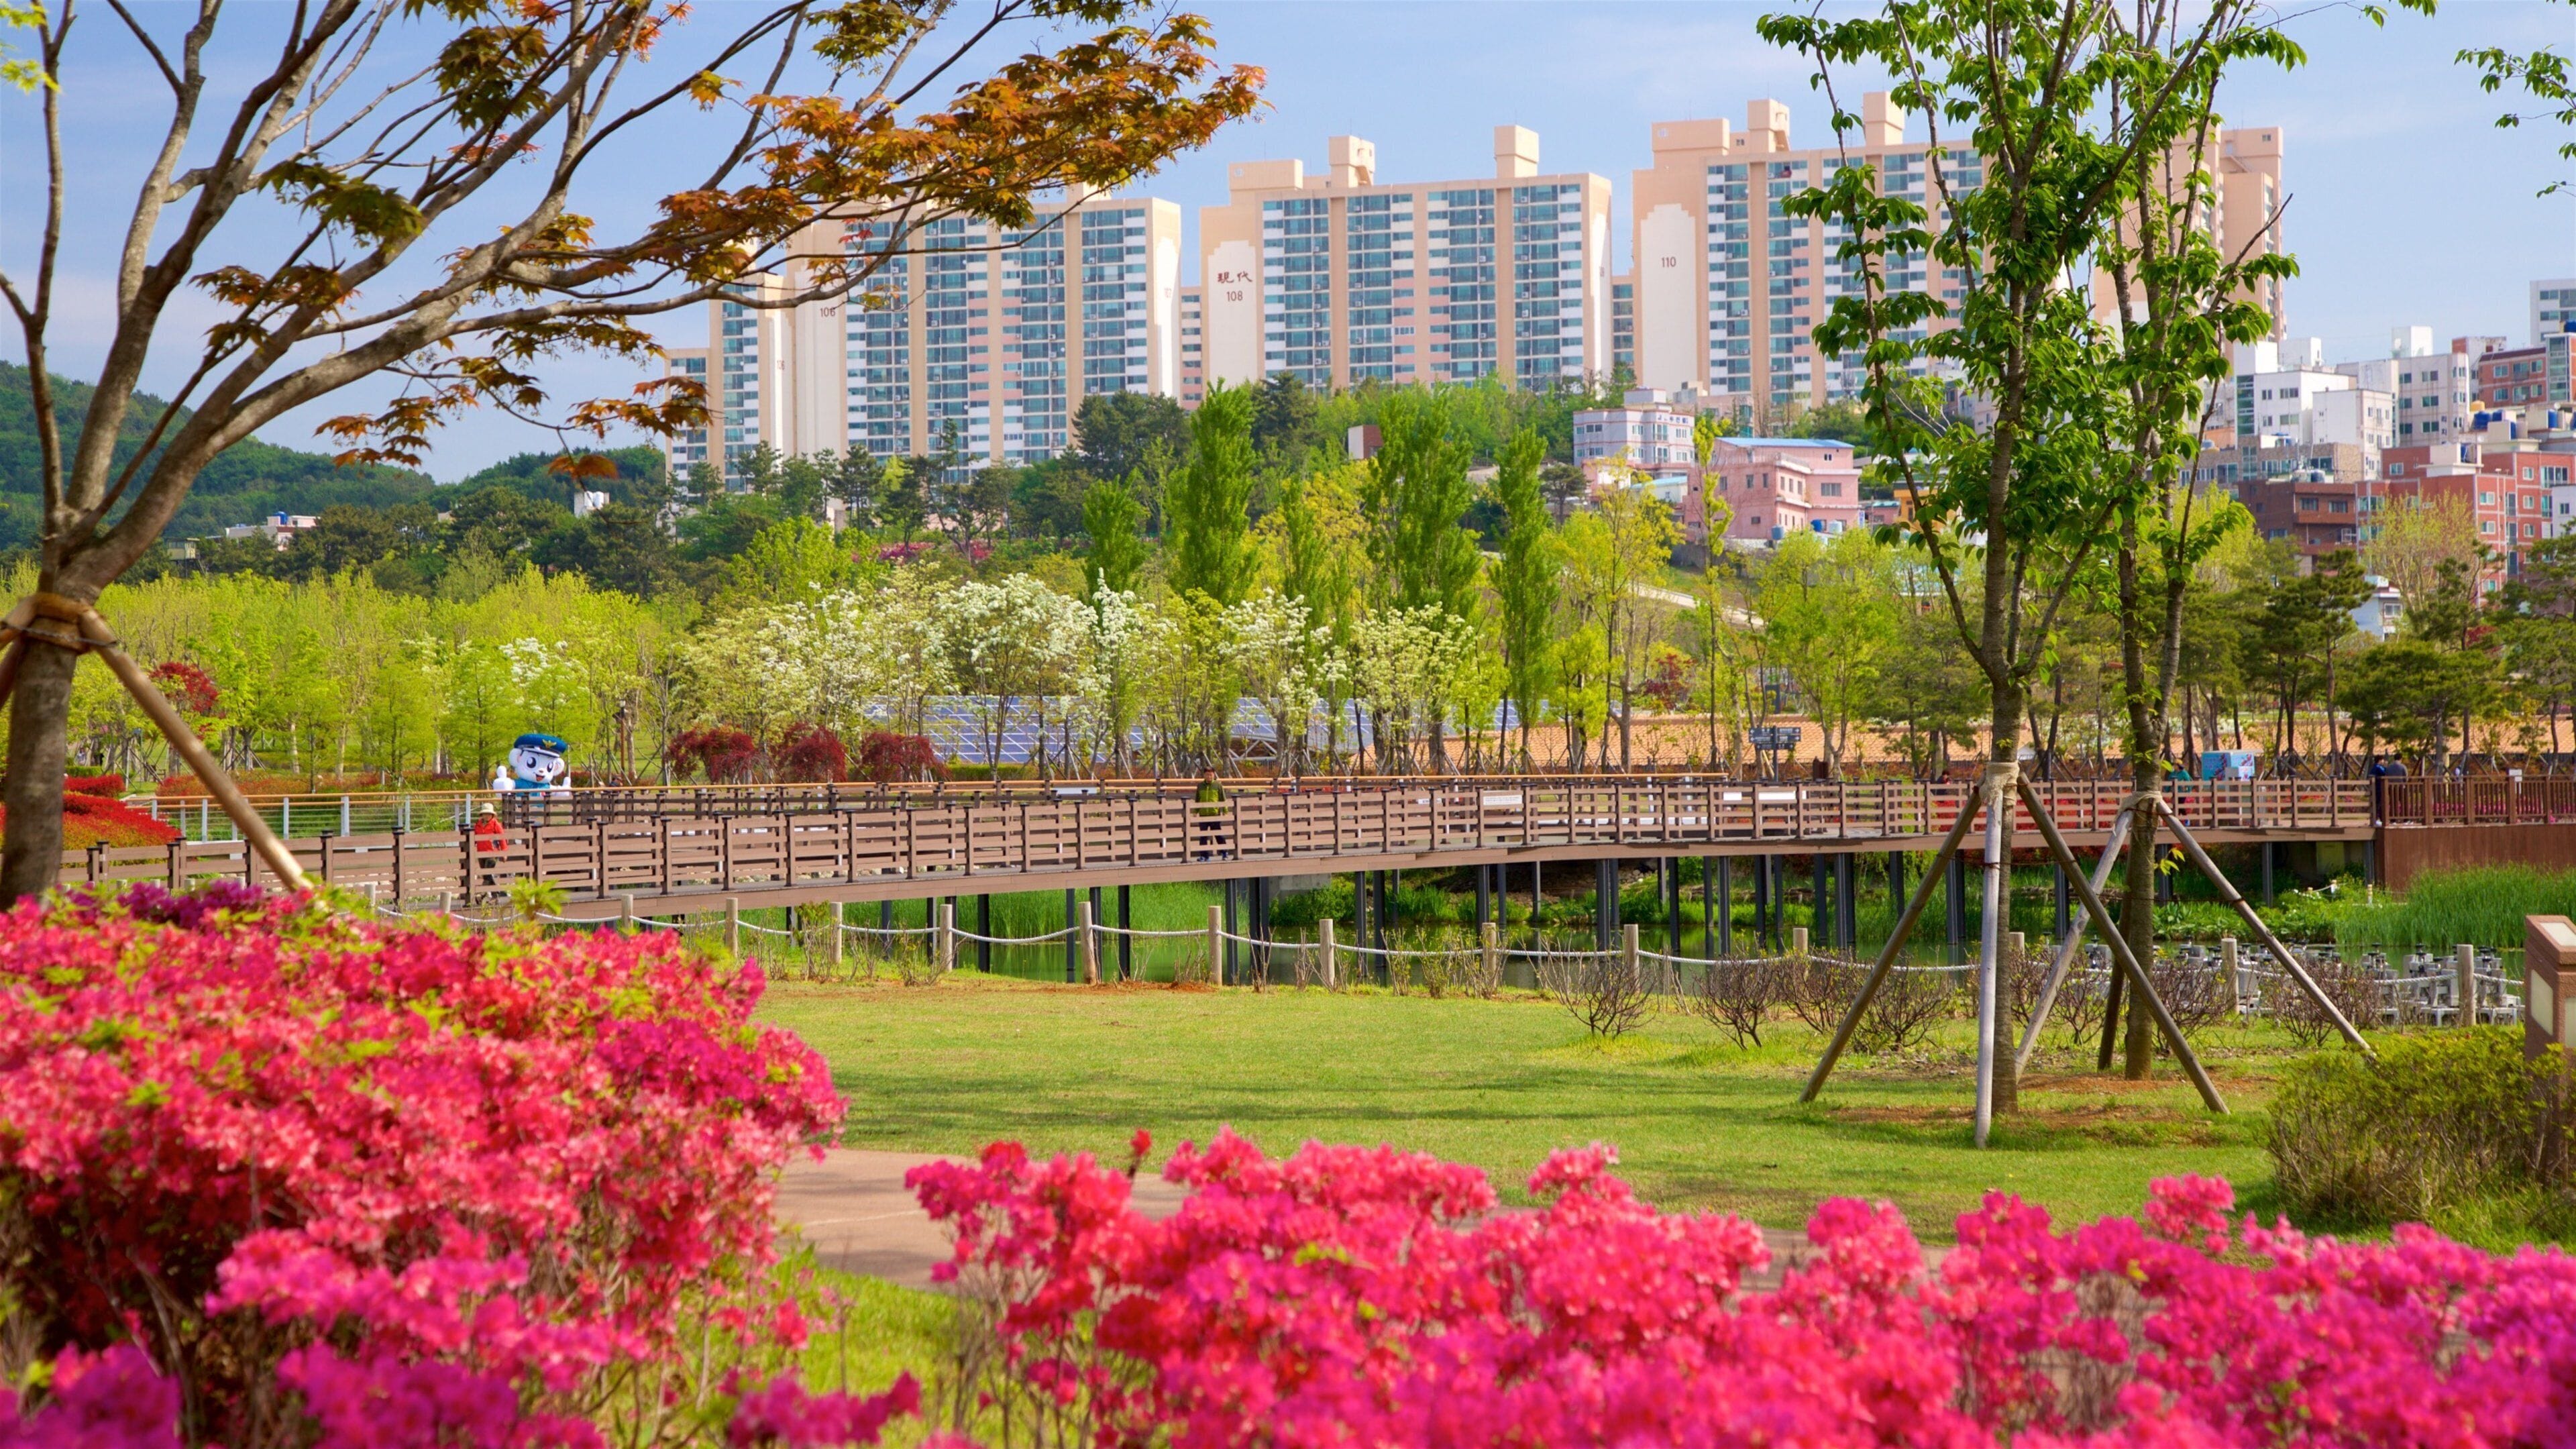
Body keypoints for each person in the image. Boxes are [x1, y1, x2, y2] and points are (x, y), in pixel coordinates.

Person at [1192, 769, 1228, 861]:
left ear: (1214, 775)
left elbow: (1222, 798)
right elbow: (1197, 799)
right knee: (1203, 836)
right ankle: (1204, 856)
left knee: (1218, 834)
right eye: (1207, 775)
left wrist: (1225, 810)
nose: (1209, 777)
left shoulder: (1218, 785)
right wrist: (1196, 811)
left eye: (1211, 775)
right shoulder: (1200, 786)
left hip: (1214, 814)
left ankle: (1224, 852)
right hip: (1203, 814)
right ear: (1204, 775)